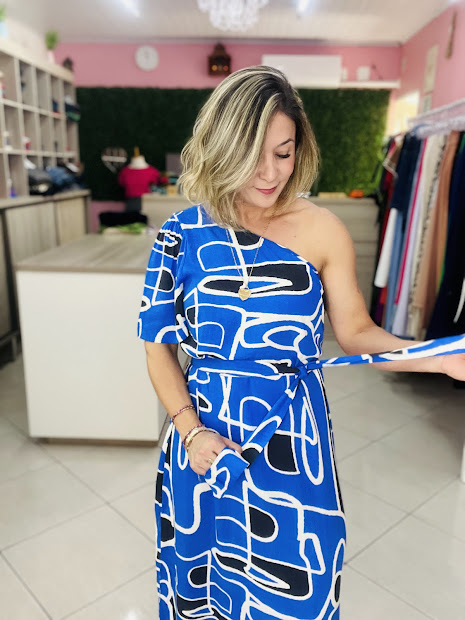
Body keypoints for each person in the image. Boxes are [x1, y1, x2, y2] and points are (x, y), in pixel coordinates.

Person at [138, 66, 465, 620]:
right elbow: (156, 348)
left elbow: (356, 333)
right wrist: (190, 430)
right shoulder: (180, 235)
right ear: (223, 147)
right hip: (204, 440)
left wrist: (437, 358)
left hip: (292, 442)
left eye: (284, 153)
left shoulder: (323, 230)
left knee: (298, 589)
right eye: (254, 155)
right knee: (204, 588)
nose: (270, 172)